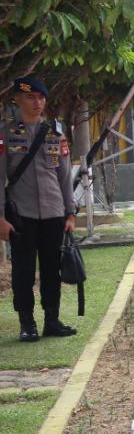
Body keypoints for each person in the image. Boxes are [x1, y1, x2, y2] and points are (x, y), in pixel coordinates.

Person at [1, 76, 78, 343]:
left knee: (51, 268)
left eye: (41, 98)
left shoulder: (55, 134)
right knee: (22, 270)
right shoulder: (7, 134)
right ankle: (27, 323)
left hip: (53, 212)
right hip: (21, 214)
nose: (37, 102)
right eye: (31, 97)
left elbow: (64, 176)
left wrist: (70, 213)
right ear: (17, 99)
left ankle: (52, 320)